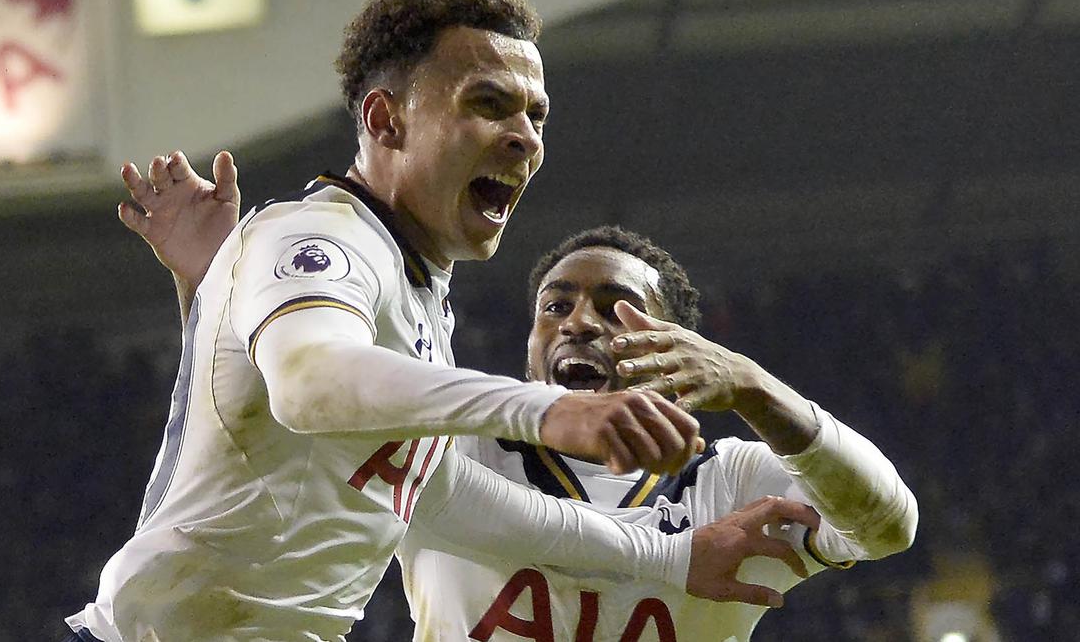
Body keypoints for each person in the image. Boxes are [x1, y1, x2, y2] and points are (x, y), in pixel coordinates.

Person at [65, 0, 722, 642]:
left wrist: (668, 556)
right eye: (488, 103)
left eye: (536, 114)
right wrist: (545, 410)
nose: (525, 136)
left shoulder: (416, 294)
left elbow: (436, 493)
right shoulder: (319, 233)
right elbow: (308, 380)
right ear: (386, 121)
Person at [117, 172, 918, 640]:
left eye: (614, 306)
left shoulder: (731, 481)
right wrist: (221, 288)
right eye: (555, 303)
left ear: (683, 350)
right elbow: (301, 417)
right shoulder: (452, 445)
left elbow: (888, 526)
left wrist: (755, 388)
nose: (577, 320)